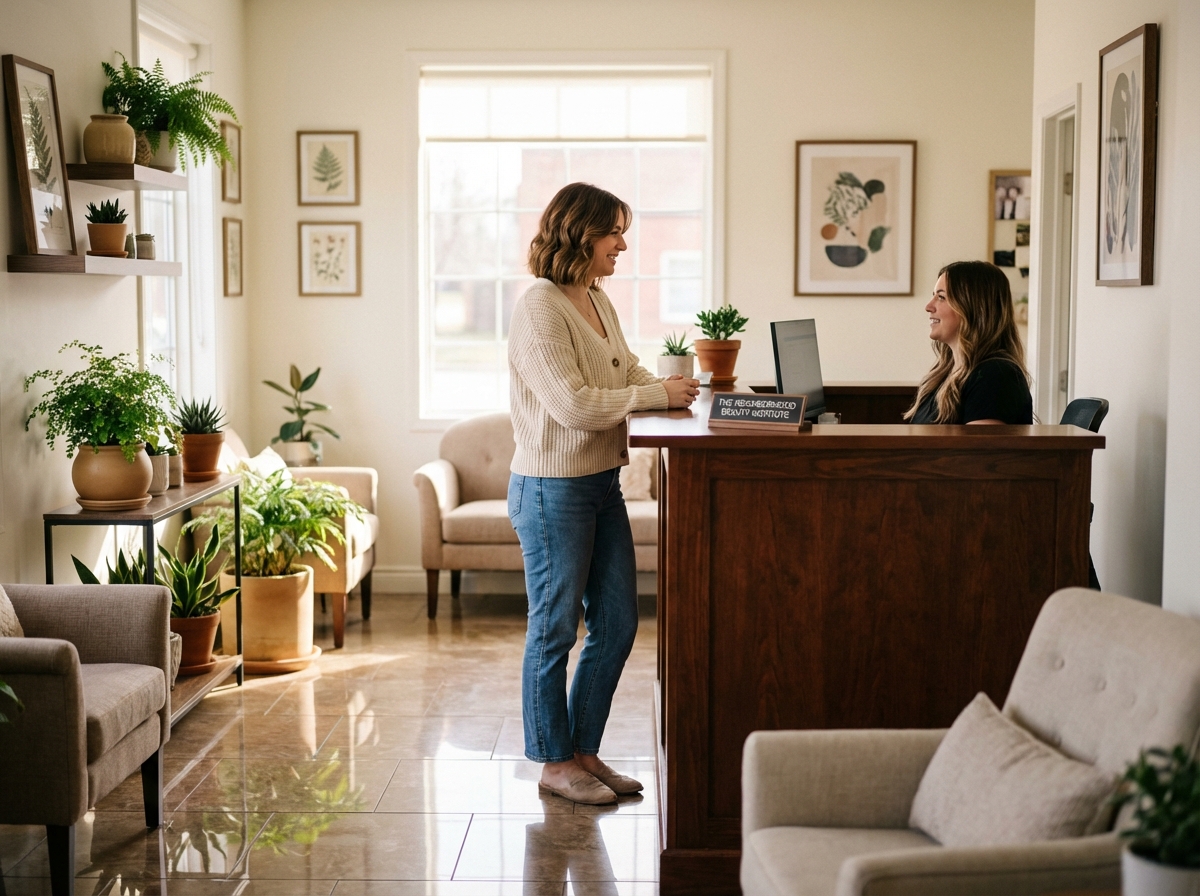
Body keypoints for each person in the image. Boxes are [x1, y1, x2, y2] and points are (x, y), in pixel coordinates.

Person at [507, 182, 700, 805]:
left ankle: (584, 753)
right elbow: (572, 405)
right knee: (555, 628)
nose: (623, 244)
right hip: (550, 489)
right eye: (614, 231)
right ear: (579, 233)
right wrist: (653, 397)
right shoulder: (539, 305)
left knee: (616, 623)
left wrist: (668, 386)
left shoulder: (595, 297)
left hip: (599, 483)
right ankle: (553, 762)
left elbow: (625, 368)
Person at [905, 260, 1033, 425]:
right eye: (934, 296)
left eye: (941, 297)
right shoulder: (944, 375)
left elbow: (980, 450)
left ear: (973, 308)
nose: (929, 306)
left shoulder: (994, 376)